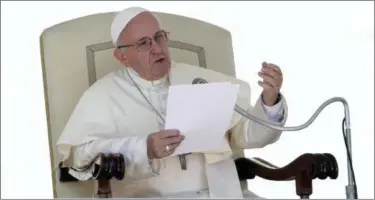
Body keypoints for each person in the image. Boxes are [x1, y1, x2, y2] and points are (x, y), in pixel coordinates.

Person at [57, 6, 288, 198]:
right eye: (144, 43)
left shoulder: (199, 79)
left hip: (220, 193)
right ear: (122, 56)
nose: (157, 48)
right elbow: (79, 156)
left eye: (159, 37)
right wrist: (143, 148)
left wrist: (269, 100)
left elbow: (248, 135)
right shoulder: (103, 95)